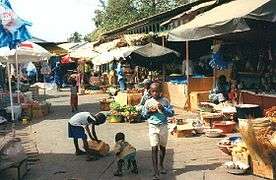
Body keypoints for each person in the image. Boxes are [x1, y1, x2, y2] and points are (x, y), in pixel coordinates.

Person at [142, 83, 174, 180]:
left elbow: (171, 113)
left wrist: (163, 109)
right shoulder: (148, 102)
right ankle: (156, 172)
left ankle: (161, 165)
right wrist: (149, 112)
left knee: (163, 147)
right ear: (150, 92)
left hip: (163, 126)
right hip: (152, 127)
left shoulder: (165, 101)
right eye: (153, 91)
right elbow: (143, 115)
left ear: (161, 92)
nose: (155, 93)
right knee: (154, 148)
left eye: (157, 91)